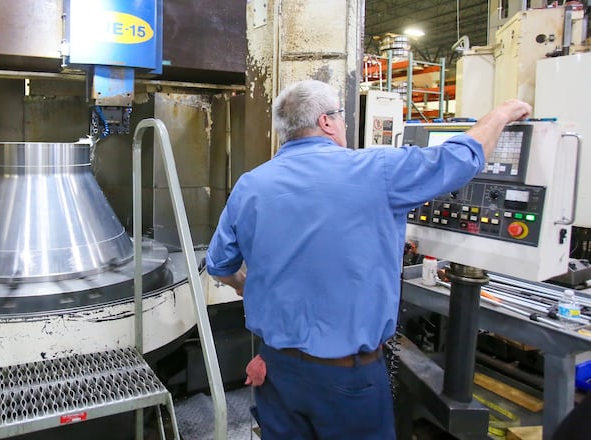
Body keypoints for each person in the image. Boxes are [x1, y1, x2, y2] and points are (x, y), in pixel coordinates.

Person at [205, 79, 532, 440]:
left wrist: (244, 286)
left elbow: (220, 264)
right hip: (348, 380)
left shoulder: (251, 184)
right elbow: (461, 157)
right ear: (328, 122)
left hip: (276, 372)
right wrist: (501, 114)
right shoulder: (379, 170)